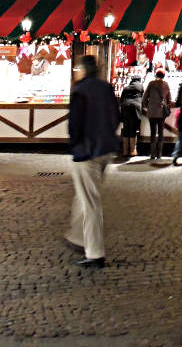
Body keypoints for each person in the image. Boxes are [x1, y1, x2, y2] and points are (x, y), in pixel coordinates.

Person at [65, 54, 120, 269]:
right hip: (106, 149)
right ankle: (78, 236)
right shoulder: (106, 88)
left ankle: (95, 253)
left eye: (77, 68)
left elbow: (75, 124)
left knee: (90, 202)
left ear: (83, 70)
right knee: (84, 195)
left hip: (87, 152)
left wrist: (77, 146)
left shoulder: (80, 90)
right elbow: (116, 116)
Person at [142, 69, 172, 162]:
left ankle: (152, 154)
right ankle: (159, 154)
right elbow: (169, 99)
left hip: (152, 112)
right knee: (161, 133)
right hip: (162, 112)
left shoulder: (151, 84)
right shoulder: (166, 84)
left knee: (153, 133)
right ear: (163, 76)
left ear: (156, 75)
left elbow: (144, 97)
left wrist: (148, 106)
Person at [120, 74, 144, 157]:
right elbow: (142, 97)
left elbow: (121, 99)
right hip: (135, 109)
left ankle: (125, 151)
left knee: (126, 128)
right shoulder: (140, 86)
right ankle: (133, 151)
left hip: (125, 108)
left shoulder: (126, 88)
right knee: (133, 129)